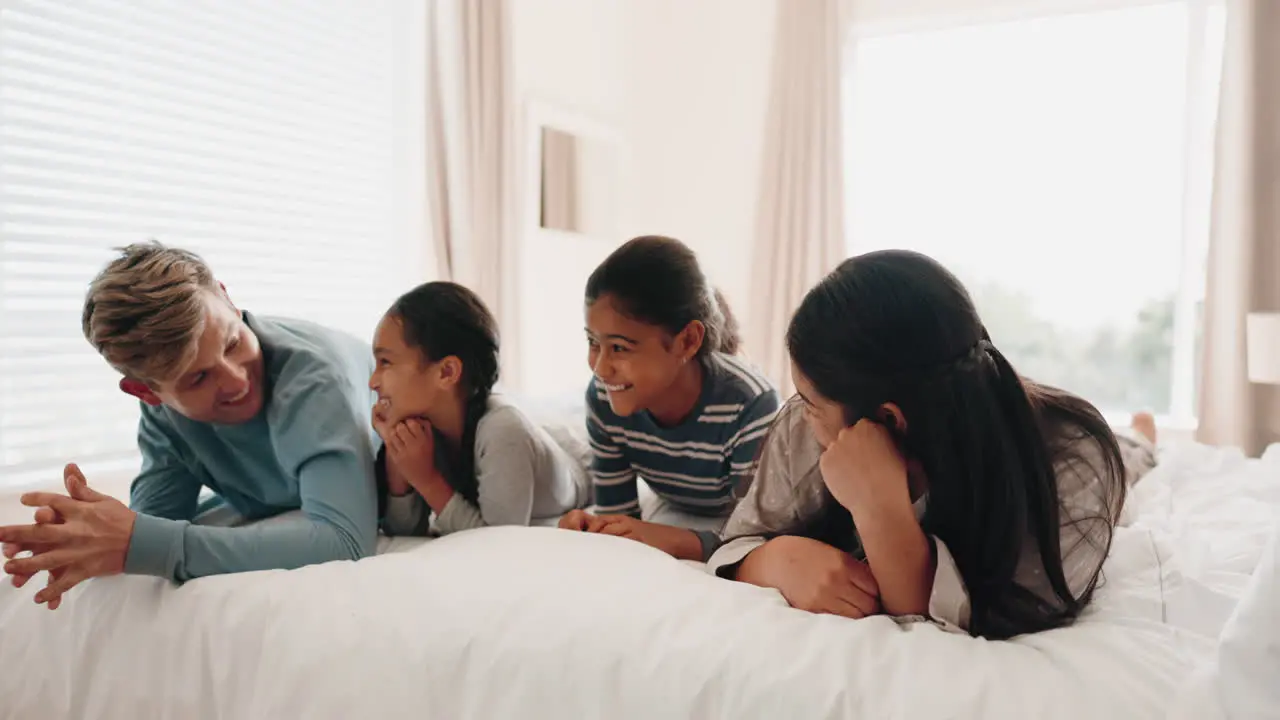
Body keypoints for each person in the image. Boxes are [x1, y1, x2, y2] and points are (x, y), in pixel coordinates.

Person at [707, 249, 1156, 639]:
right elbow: (738, 542)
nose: (802, 416)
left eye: (811, 404)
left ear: (887, 420)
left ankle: (1141, 436)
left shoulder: (1074, 466)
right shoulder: (803, 429)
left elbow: (952, 621)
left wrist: (881, 509)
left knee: (1132, 457)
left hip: (1071, 441)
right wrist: (773, 560)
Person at [0, 242, 379, 609]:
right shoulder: (165, 415)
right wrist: (84, 535)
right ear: (147, 393)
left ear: (228, 299)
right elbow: (156, 521)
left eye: (232, 343)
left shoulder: (314, 377)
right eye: (197, 378)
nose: (236, 381)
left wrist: (143, 542)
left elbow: (344, 540)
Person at [558, 236, 780, 562]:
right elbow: (618, 512)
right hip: (676, 506)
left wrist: (676, 540)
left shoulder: (750, 405)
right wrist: (596, 530)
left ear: (687, 341)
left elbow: (755, 538)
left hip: (734, 521)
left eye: (620, 347)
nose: (601, 368)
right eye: (593, 342)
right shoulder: (605, 399)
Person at [371, 282, 591, 534]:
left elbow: (496, 540)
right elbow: (403, 531)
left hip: (580, 461)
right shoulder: (422, 426)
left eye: (385, 362)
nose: (373, 382)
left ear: (446, 372)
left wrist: (427, 480)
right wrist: (395, 451)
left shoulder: (503, 431)